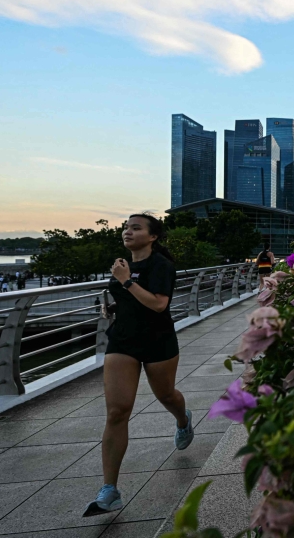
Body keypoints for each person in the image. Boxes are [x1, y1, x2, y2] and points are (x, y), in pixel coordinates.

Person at [84, 213, 194, 516]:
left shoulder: (161, 266)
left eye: (135, 228)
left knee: (166, 395)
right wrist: (115, 304)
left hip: (158, 341)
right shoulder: (124, 265)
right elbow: (130, 297)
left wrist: (125, 281)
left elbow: (159, 304)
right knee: (117, 412)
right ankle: (110, 490)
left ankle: (183, 419)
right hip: (123, 340)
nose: (127, 232)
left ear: (153, 236)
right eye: (125, 228)